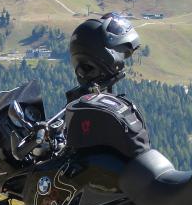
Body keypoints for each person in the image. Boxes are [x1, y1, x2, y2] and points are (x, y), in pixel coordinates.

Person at [64, 12, 151, 159]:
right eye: (122, 52)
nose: (123, 58)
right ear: (105, 55)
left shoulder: (85, 105)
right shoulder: (105, 107)